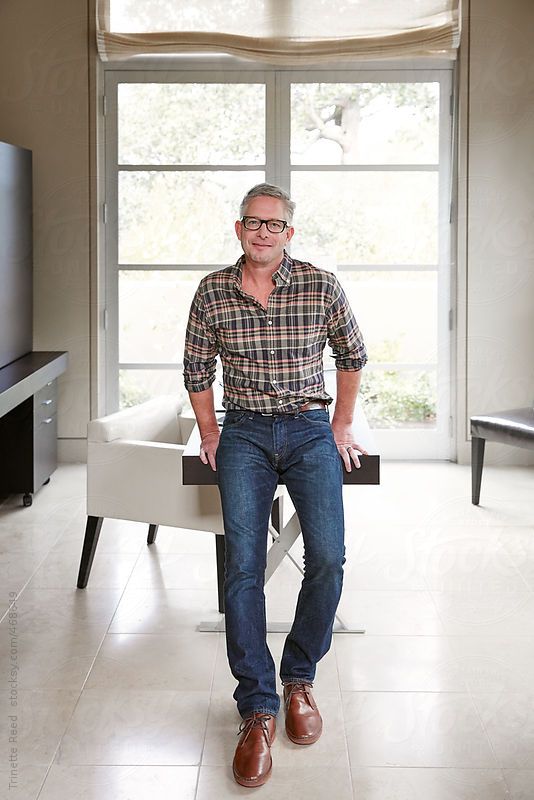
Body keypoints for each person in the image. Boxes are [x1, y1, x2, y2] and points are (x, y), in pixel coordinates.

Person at [183, 183, 367, 788]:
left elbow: (352, 355)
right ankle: (257, 706)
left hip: (310, 429)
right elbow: (196, 369)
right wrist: (211, 431)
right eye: (253, 222)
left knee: (329, 558)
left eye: (274, 224)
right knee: (242, 566)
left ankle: (299, 679)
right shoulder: (212, 290)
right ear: (239, 229)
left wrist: (341, 425)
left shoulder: (320, 285)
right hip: (245, 431)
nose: (263, 232)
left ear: (289, 232)